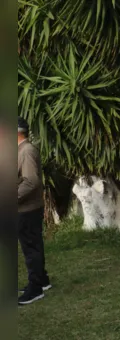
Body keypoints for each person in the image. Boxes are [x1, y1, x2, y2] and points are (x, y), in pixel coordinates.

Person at [17, 117, 50, 305]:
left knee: (31, 248)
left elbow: (31, 181)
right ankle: (42, 280)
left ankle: (35, 288)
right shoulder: (21, 150)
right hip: (26, 207)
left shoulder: (26, 151)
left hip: (27, 209)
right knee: (33, 244)